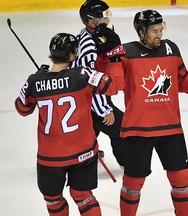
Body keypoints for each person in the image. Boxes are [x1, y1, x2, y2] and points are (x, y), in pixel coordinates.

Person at [92, 9, 188, 216]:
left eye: (161, 30)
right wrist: (110, 57)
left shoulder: (171, 49)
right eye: (154, 31)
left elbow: (181, 80)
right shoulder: (126, 53)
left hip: (171, 128)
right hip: (137, 131)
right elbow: (112, 87)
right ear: (141, 32)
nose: (159, 35)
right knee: (133, 184)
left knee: (182, 182)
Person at [14, 33, 119, 215]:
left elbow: (22, 109)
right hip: (83, 153)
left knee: (53, 200)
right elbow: (111, 85)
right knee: (83, 196)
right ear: (72, 54)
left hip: (50, 157)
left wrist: (38, 80)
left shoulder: (35, 81)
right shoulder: (82, 74)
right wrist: (110, 58)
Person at [72, 0, 124, 166]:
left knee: (90, 129)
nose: (108, 21)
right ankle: (129, 162)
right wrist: (104, 110)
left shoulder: (87, 35)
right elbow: (90, 81)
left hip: (85, 102)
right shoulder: (89, 47)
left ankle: (85, 152)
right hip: (92, 102)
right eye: (103, 17)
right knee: (121, 128)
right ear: (90, 21)